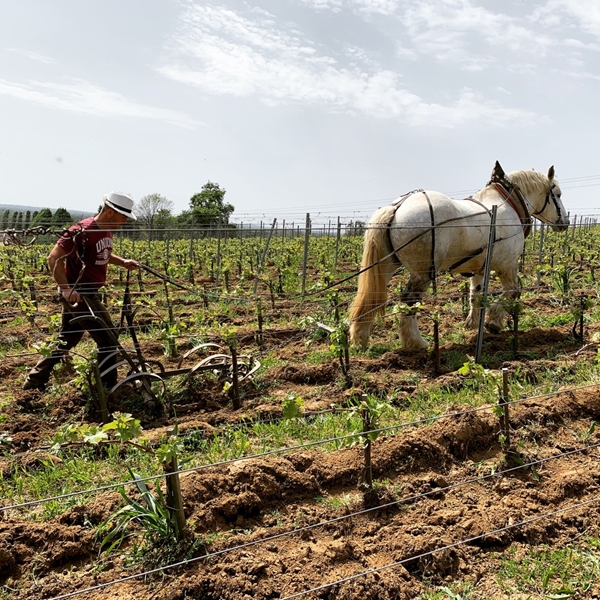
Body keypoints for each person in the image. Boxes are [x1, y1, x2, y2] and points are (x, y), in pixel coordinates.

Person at [23, 192, 140, 392]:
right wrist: (67, 289)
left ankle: (34, 382)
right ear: (110, 212)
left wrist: (122, 262)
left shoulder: (105, 230)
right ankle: (108, 387)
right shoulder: (82, 230)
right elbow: (54, 257)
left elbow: (103, 253)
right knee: (108, 338)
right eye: (123, 217)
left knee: (67, 338)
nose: (124, 223)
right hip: (80, 294)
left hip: (87, 292)